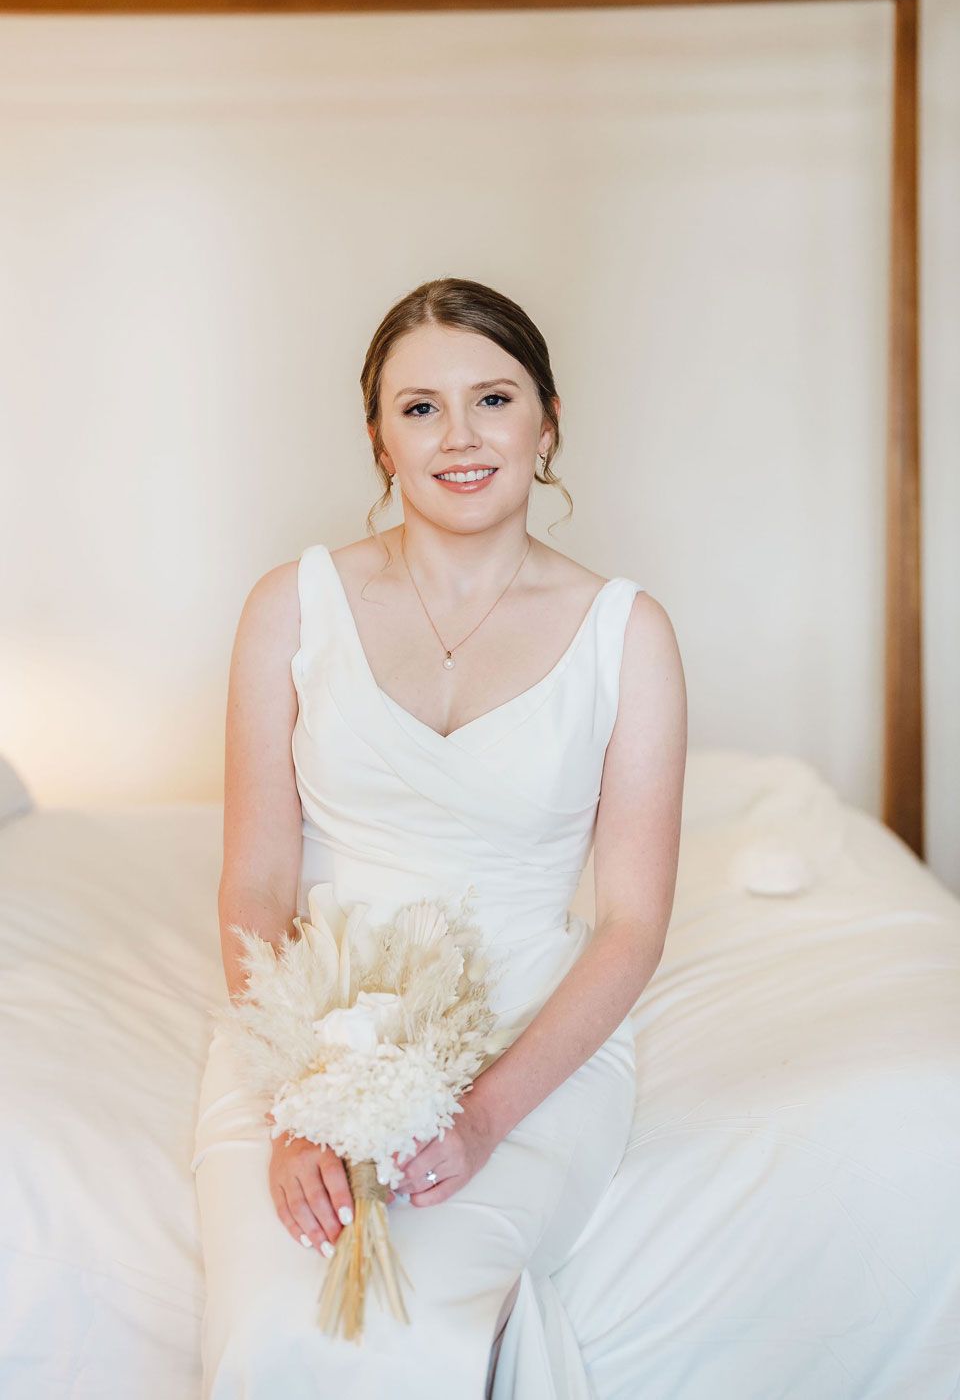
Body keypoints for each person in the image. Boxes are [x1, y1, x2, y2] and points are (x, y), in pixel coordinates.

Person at [190, 275, 687, 1397]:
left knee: (419, 1320)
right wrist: (297, 1101)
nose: (459, 437)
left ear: (546, 423)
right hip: (302, 1027)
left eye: (493, 399)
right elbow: (255, 884)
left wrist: (482, 1118)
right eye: (420, 408)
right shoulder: (290, 605)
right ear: (380, 441)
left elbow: (632, 925)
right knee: (280, 1323)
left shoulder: (627, 634)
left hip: (527, 1034)